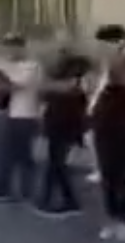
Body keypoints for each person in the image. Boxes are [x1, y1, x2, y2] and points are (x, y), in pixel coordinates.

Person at [90, 56, 125, 241]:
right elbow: (95, 113)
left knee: (120, 183)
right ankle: (112, 219)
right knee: (108, 182)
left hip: (121, 143)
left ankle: (124, 220)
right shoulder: (106, 93)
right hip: (104, 141)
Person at [35, 48, 90, 217]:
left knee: (56, 164)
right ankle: (59, 200)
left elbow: (48, 89)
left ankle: (56, 200)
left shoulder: (74, 84)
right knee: (56, 164)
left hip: (63, 127)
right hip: (60, 127)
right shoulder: (71, 84)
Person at [0, 35, 43, 202]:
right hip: (9, 115)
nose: (10, 51)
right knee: (5, 153)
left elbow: (15, 86)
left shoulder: (32, 66)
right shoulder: (8, 66)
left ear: (22, 48)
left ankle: (27, 190)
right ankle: (2, 190)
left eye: (13, 47)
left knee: (23, 155)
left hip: (25, 115)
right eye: (7, 47)